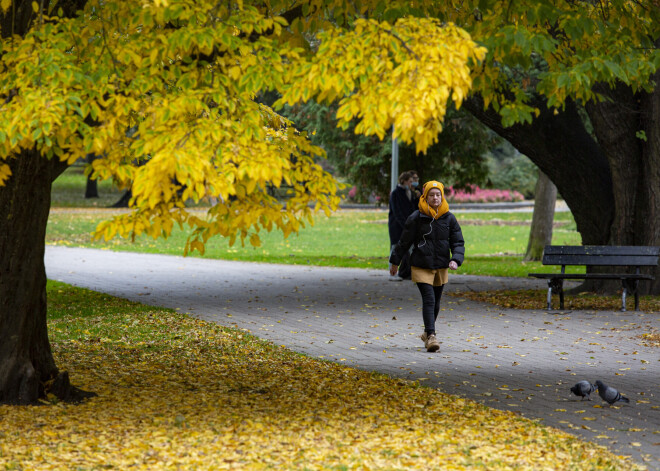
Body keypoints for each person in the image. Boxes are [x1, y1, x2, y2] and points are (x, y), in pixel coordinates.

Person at [389, 181, 465, 352]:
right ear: (425, 197)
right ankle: (431, 336)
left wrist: (456, 259)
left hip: (441, 266)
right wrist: (395, 261)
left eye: (438, 195)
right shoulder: (416, 217)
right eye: (432, 195)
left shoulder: (449, 218)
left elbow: (458, 242)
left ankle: (426, 332)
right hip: (421, 265)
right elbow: (404, 241)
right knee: (429, 299)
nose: (435, 198)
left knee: (437, 302)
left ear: (442, 196)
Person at [388, 171, 417, 280]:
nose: (411, 183)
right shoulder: (396, 193)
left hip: (407, 225)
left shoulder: (409, 193)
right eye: (409, 181)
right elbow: (397, 212)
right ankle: (392, 272)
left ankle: (405, 271)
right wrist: (405, 224)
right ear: (403, 181)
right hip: (397, 226)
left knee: (407, 248)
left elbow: (412, 209)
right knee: (395, 248)